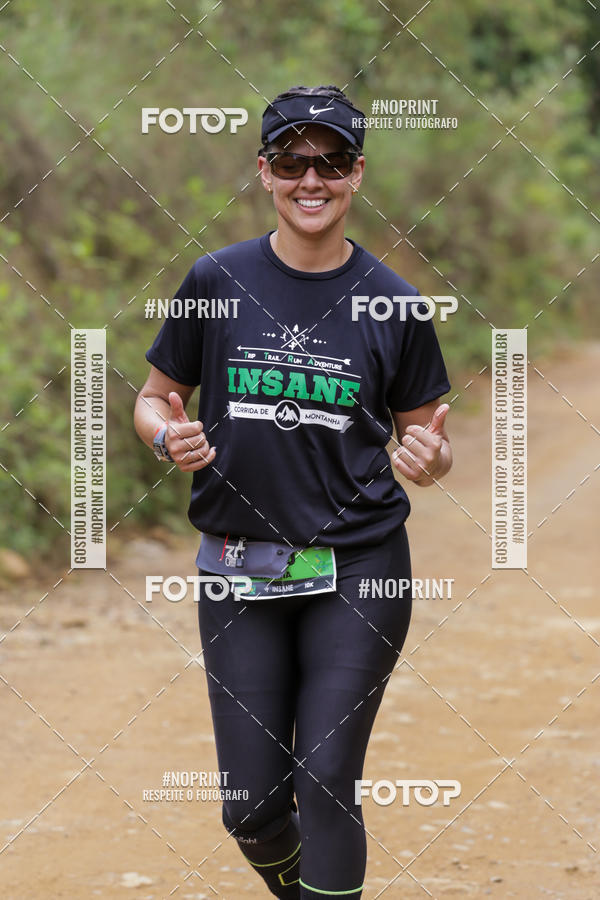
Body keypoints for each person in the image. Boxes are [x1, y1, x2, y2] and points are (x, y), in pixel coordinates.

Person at [134, 84, 452, 899]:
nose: (313, 179)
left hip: (359, 568)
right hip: (238, 567)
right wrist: (168, 435)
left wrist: (431, 459)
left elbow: (427, 434)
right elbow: (151, 396)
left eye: (333, 160)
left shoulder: (396, 305)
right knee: (252, 807)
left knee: (324, 781)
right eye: (292, 159)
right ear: (265, 172)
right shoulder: (215, 279)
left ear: (357, 173)